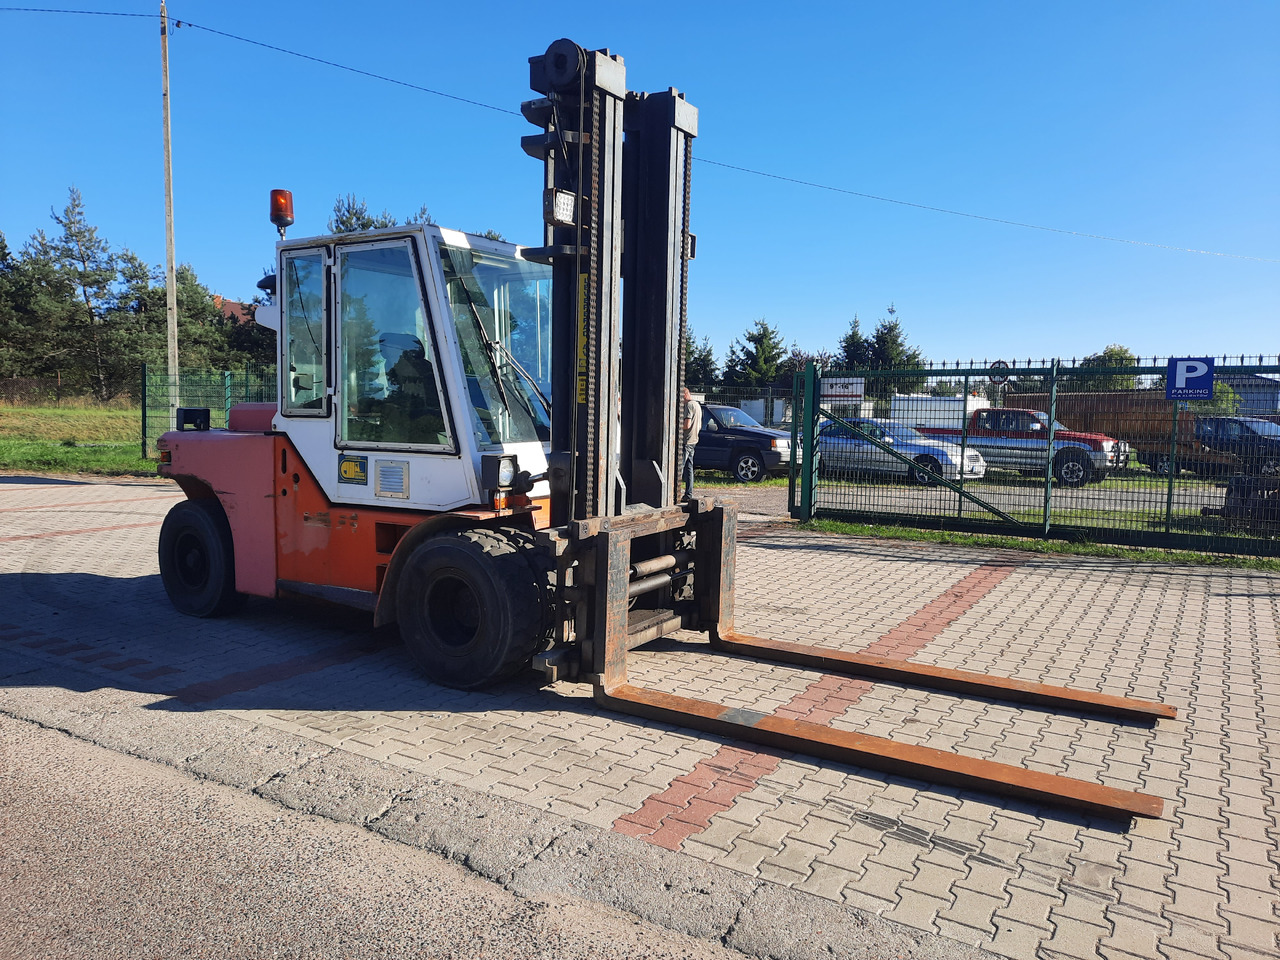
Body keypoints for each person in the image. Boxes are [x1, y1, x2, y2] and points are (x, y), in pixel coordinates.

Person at [681, 386, 701, 502]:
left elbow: (686, 425)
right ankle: (688, 493)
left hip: (686, 441)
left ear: (684, 395)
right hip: (694, 440)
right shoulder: (697, 405)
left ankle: (674, 494)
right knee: (689, 468)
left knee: (680, 467)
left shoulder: (688, 406)